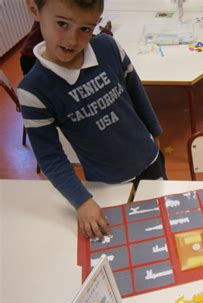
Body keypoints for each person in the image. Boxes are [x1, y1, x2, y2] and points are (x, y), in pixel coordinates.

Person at [18, 0, 166, 239]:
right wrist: (81, 201)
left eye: (85, 29)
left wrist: (154, 130)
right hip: (106, 184)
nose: (72, 41)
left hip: (149, 159)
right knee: (131, 239)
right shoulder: (33, 90)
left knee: (162, 224)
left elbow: (135, 90)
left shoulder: (108, 47)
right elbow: (50, 158)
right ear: (35, 10)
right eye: (62, 24)